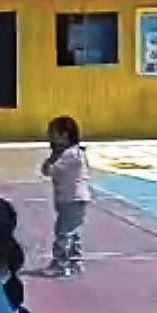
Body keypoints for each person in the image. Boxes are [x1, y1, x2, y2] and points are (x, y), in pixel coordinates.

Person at [39, 117, 91, 278]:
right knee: (72, 232)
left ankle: (61, 264)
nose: (49, 136)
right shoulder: (73, 152)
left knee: (63, 232)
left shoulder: (70, 155)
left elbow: (48, 170)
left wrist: (53, 155)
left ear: (64, 135)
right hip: (72, 199)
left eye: (53, 133)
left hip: (72, 199)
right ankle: (75, 262)